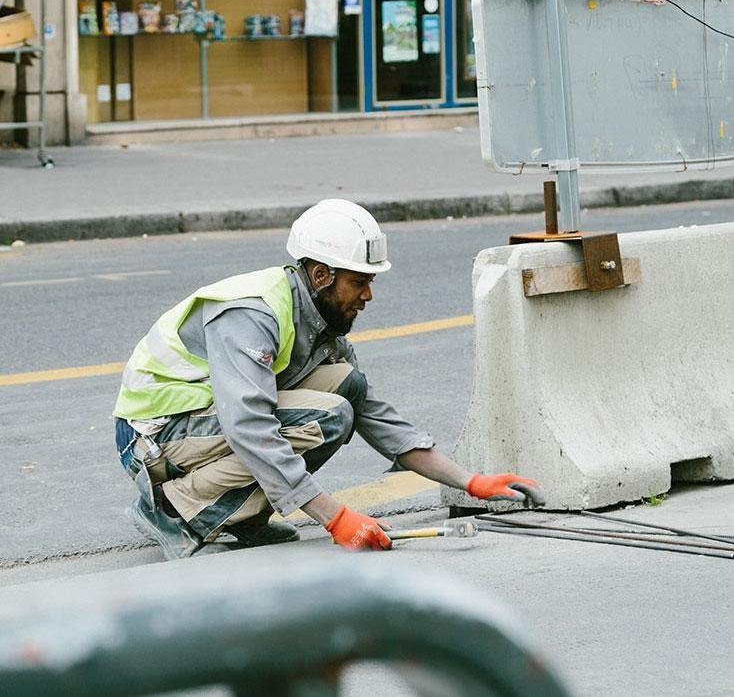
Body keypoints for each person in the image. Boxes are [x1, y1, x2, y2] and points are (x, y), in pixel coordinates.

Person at [113, 199, 542, 559]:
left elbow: (376, 416)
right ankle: (174, 510)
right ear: (321, 276)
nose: (368, 295)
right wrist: (334, 518)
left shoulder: (320, 323)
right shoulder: (252, 314)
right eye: (358, 282)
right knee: (328, 416)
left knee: (347, 387)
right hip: (153, 436)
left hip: (200, 424)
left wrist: (471, 482)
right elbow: (248, 425)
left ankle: (242, 518)